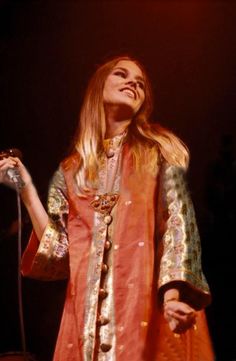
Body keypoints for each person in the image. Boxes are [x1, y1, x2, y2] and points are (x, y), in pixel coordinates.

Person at [0, 55, 214, 361]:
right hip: (83, 324)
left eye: (140, 82)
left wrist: (172, 297)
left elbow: (179, 222)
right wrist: (25, 189)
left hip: (145, 311)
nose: (133, 83)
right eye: (122, 74)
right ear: (98, 87)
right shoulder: (71, 171)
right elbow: (59, 255)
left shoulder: (158, 150)